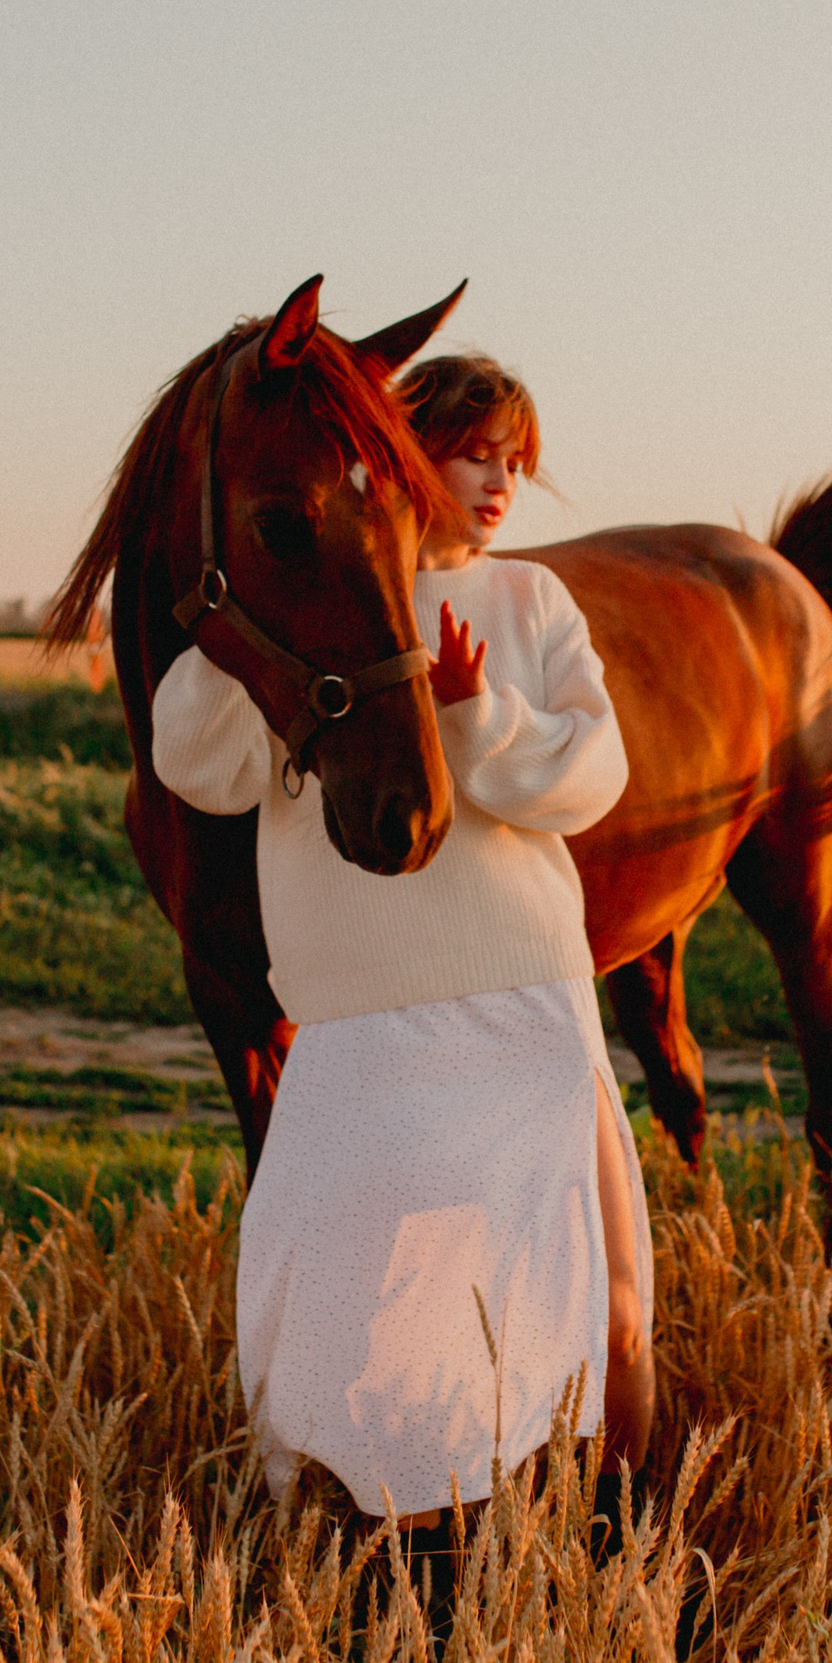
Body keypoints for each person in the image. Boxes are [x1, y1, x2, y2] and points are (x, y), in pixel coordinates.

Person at [149, 352, 655, 1553]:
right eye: (476, 451)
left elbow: (594, 775)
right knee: (342, 1292)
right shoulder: (310, 593)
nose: (498, 484)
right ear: (391, 448)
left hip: (523, 991)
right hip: (361, 1006)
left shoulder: (531, 603)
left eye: (516, 465)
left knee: (599, 1288)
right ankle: (391, 1538)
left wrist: (480, 716)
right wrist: (248, 649)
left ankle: (622, 1543)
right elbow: (197, 764)